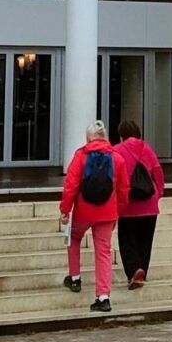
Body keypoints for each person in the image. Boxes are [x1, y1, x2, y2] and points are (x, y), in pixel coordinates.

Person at [58, 119, 122, 312]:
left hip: (83, 211)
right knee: (103, 252)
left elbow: (70, 186)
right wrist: (118, 212)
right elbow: (123, 189)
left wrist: (64, 210)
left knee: (74, 238)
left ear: (89, 138)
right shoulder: (117, 158)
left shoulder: (80, 156)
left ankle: (75, 278)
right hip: (107, 212)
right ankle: (103, 297)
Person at [112, 122, 166, 289]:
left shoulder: (117, 150)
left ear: (121, 134)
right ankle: (142, 270)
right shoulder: (146, 148)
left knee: (127, 240)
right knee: (145, 241)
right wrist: (159, 193)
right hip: (149, 205)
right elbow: (158, 172)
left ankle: (134, 270)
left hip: (128, 205)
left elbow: (114, 177)